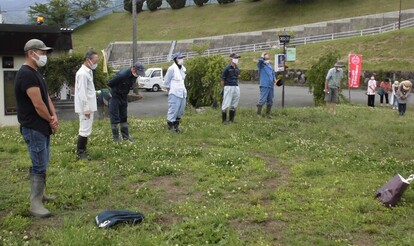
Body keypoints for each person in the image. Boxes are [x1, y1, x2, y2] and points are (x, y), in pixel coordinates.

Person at [14, 39, 58, 218]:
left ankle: (40, 195)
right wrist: (49, 119)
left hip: (42, 126)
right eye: (42, 52)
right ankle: (35, 204)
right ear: (31, 53)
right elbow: (38, 104)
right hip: (33, 127)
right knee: (39, 164)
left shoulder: (36, 73)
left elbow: (46, 97)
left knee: (43, 161)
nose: (44, 56)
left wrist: (54, 116)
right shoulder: (26, 74)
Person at [107, 62, 145, 142]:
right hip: (115, 96)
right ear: (133, 69)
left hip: (124, 97)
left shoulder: (134, 76)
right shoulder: (122, 75)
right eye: (138, 72)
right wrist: (115, 91)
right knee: (115, 118)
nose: (138, 75)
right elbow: (110, 83)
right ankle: (116, 138)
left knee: (123, 117)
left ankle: (126, 136)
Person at [74, 51, 99, 160]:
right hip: (86, 107)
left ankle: (83, 149)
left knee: (87, 128)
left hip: (89, 105)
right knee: (84, 129)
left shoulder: (88, 72)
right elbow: (82, 92)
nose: (96, 63)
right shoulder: (82, 74)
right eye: (95, 61)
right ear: (88, 59)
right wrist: (86, 108)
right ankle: (80, 152)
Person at [164, 52, 187, 132]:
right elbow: (166, 81)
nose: (181, 59)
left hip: (182, 93)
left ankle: (176, 127)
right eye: (179, 58)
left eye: (182, 58)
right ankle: (171, 127)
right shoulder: (171, 69)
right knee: (173, 110)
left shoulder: (183, 68)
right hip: (174, 93)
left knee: (180, 110)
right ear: (175, 59)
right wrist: (169, 90)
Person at [256, 52, 279, 117]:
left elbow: (273, 74)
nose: (268, 58)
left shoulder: (269, 65)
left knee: (270, 100)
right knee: (262, 100)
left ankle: (268, 114)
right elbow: (260, 61)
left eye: (268, 56)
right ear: (263, 58)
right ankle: (258, 113)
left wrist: (275, 80)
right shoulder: (261, 65)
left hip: (270, 85)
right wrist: (262, 56)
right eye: (266, 57)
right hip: (264, 85)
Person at [221, 53, 241, 123]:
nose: (237, 59)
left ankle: (231, 119)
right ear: (231, 59)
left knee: (234, 102)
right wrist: (223, 88)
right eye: (235, 58)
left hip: (235, 86)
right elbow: (223, 79)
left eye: (237, 58)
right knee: (226, 103)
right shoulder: (227, 68)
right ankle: (224, 120)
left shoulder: (237, 68)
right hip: (228, 86)